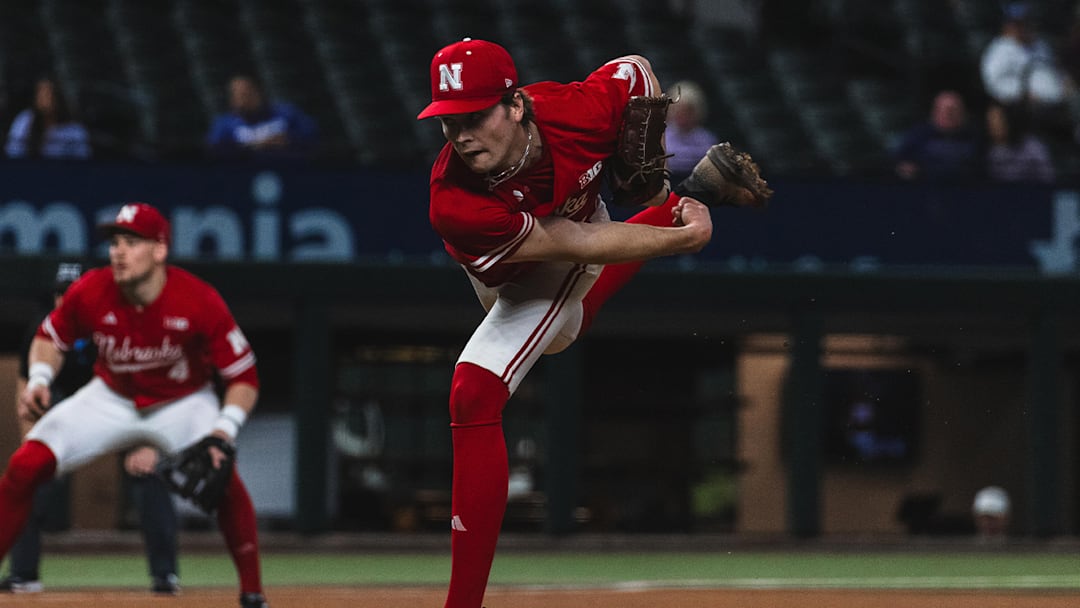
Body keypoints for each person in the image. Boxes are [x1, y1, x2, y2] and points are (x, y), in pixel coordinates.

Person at [416, 38, 767, 608]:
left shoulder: (573, 110)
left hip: (573, 239)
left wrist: (651, 179)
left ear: (516, 105)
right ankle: (698, 193)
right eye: (448, 121)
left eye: (475, 116)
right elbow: (562, 239)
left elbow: (635, 69)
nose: (461, 135)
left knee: (471, 393)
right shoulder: (453, 199)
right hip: (518, 253)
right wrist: (680, 230)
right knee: (562, 333)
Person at [0, 203, 270, 608]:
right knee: (24, 466)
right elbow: (48, 338)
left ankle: (252, 593)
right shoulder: (92, 289)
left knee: (225, 482)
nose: (118, 252)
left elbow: (244, 378)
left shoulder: (198, 299)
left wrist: (223, 432)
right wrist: (40, 379)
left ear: (160, 249)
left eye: (131, 242)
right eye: (114, 242)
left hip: (183, 401)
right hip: (111, 396)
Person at [1, 263, 181, 595]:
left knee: (147, 472)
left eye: (73, 293)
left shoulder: (121, 326)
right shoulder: (43, 331)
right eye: (59, 293)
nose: (65, 300)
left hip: (122, 403)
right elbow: (25, 389)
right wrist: (34, 445)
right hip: (66, 406)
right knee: (26, 477)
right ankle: (23, 574)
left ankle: (166, 575)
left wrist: (149, 445)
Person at [980, 2, 1074, 138]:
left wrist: (1065, 82)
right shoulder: (999, 49)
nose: (1023, 27)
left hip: (1058, 102)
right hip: (1026, 107)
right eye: (1018, 23)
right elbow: (994, 84)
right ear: (1008, 26)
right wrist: (1022, 94)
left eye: (1026, 22)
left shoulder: (1041, 45)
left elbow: (1054, 69)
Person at [206, 74, 318, 162]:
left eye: (248, 93)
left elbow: (312, 134)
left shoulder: (285, 113)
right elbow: (215, 150)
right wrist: (252, 146)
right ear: (232, 100)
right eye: (240, 95)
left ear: (259, 92)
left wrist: (288, 139)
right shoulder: (225, 124)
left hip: (290, 171)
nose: (245, 99)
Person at [893, 90, 981, 180]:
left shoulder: (976, 138)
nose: (948, 115)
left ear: (963, 113)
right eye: (943, 110)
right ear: (934, 111)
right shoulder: (917, 136)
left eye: (953, 110)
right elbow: (899, 163)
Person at [4, 76, 91, 160]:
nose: (45, 99)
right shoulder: (25, 120)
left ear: (58, 97)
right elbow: (12, 153)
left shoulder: (73, 130)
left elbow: (82, 162)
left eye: (48, 94)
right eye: (41, 94)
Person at [985, 102, 1055, 183]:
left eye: (997, 120)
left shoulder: (1032, 147)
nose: (992, 126)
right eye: (989, 122)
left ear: (1008, 120)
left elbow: (1048, 178)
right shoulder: (987, 151)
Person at [665, 80, 719, 179]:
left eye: (687, 111)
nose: (681, 115)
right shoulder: (661, 136)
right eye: (677, 110)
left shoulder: (706, 139)